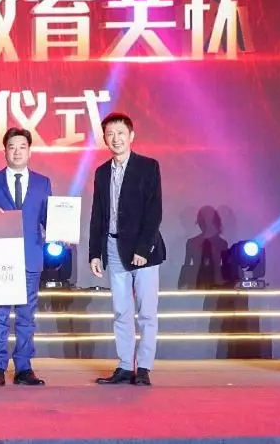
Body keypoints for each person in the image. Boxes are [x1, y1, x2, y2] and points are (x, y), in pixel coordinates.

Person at [0, 127, 52, 386]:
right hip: (1, 259)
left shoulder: (42, 182)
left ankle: (24, 368)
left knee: (27, 317)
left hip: (30, 256)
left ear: (29, 151)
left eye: (22, 147)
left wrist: (61, 229)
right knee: (0, 315)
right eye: (12, 147)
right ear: (5, 151)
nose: (17, 152)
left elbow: (49, 218)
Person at [87, 112, 165, 386]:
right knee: (121, 311)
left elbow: (154, 211)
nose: (115, 138)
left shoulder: (148, 166)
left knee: (146, 312)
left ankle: (143, 367)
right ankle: (124, 366)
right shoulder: (101, 172)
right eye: (110, 134)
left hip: (144, 250)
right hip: (112, 245)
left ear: (131, 136)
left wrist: (143, 248)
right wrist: (94, 253)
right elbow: (98, 214)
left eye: (120, 133)